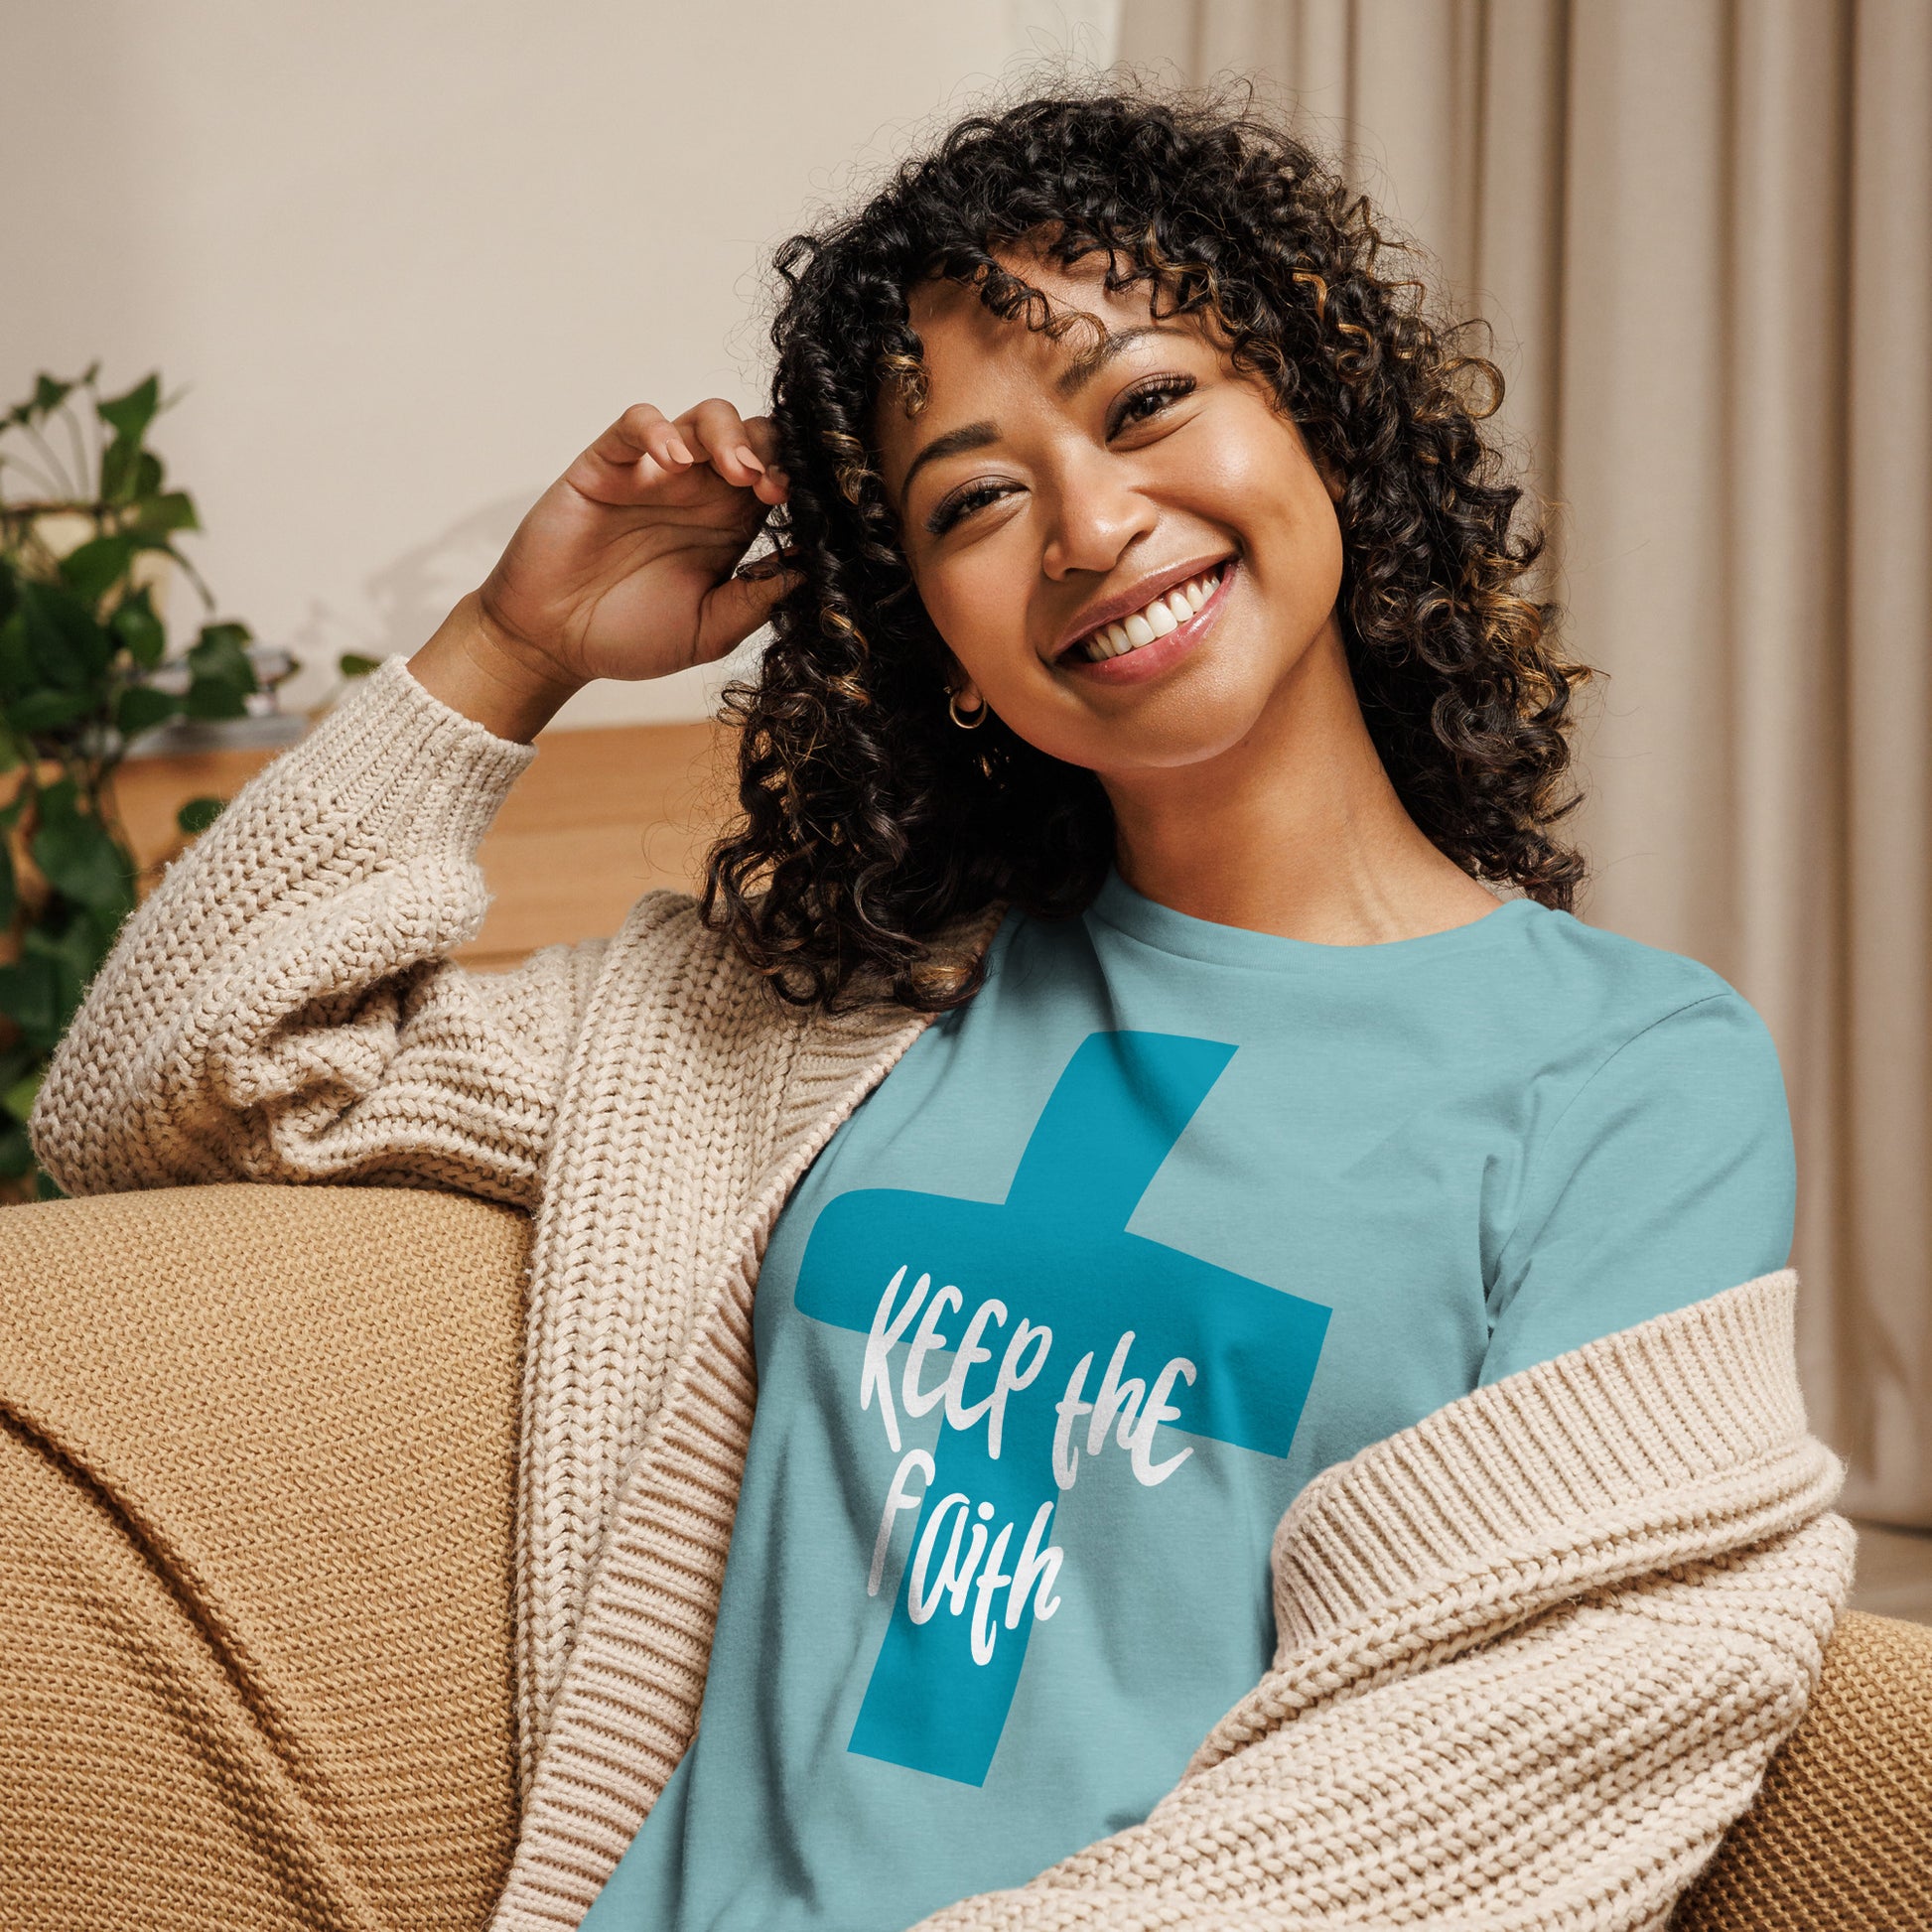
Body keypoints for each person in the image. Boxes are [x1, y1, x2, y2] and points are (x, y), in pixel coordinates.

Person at [22, 82, 1849, 1932]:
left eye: (1147, 402)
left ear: (1319, 422)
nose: (1086, 521)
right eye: (974, 496)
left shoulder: (1623, 1072)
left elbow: (1524, 1734)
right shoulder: (817, 1021)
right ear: (939, 641)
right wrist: (512, 646)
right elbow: (174, 1087)